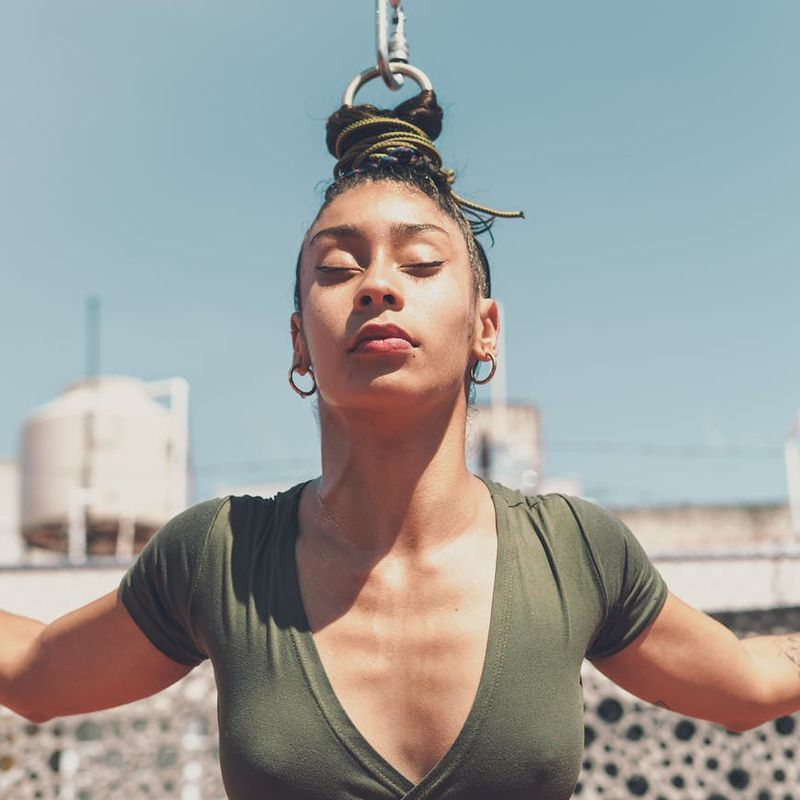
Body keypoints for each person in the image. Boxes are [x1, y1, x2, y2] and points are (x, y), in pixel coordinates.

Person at [2, 88, 800, 800]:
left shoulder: (574, 552)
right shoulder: (221, 555)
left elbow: (753, 683)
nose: (378, 285)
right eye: (338, 267)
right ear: (298, 344)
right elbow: (36, 675)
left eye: (420, 263)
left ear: (486, 329)